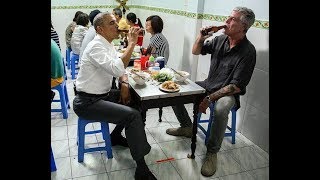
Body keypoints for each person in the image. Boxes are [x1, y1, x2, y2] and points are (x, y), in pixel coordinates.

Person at [165, 7, 256, 177]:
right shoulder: (221, 39)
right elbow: (196, 51)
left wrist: (209, 98)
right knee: (176, 90)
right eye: (228, 17)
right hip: (209, 84)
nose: (226, 21)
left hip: (228, 93)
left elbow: (235, 86)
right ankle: (186, 126)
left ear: (243, 26)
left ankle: (212, 152)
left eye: (232, 19)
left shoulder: (248, 51)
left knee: (221, 109)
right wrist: (201, 37)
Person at [73, 12, 157, 180]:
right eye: (112, 23)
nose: (117, 25)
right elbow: (118, 68)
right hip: (87, 102)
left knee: (136, 102)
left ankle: (115, 136)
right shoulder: (96, 46)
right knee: (132, 116)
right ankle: (141, 168)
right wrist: (132, 43)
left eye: (116, 21)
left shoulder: (107, 44)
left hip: (100, 95)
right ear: (100, 29)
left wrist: (124, 84)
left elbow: (120, 66)